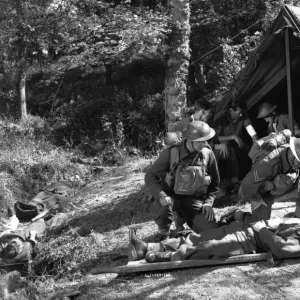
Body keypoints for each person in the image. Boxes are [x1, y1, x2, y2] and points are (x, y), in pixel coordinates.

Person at [145, 120, 220, 240]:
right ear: (190, 140)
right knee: (164, 206)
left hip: (194, 200)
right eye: (201, 141)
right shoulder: (171, 153)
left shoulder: (207, 153)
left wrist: (208, 203)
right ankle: (164, 233)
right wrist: (161, 195)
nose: (205, 144)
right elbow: (150, 175)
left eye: (206, 140)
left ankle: (183, 220)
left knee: (212, 233)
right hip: (171, 197)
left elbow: (215, 184)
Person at [129, 217, 300, 263]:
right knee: (200, 237)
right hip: (249, 227)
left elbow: (281, 249)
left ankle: (169, 256)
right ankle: (147, 247)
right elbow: (279, 223)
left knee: (210, 247)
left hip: (254, 239)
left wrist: (261, 230)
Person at [221, 136, 300, 224]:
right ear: (292, 155)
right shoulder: (267, 165)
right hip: (257, 187)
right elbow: (246, 186)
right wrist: (257, 199)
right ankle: (234, 214)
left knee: (263, 222)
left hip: (271, 185)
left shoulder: (293, 160)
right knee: (259, 223)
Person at [213, 105, 257, 194]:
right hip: (223, 147)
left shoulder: (243, 118)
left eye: (242, 113)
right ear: (231, 110)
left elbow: (250, 129)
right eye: (238, 113)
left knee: (251, 153)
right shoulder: (221, 118)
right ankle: (226, 183)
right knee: (228, 153)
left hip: (238, 146)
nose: (241, 115)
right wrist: (232, 137)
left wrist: (255, 139)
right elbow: (214, 138)